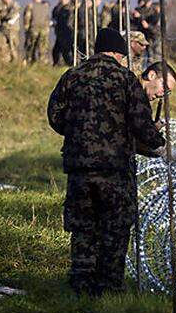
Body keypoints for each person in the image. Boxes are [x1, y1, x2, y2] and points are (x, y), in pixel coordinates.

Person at [46, 28, 166, 297]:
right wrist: (159, 144)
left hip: (79, 167)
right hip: (115, 168)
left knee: (83, 227)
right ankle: (109, 286)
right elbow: (140, 123)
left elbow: (55, 116)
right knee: (115, 226)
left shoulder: (72, 76)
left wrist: (79, 132)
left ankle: (81, 284)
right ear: (117, 53)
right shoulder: (125, 79)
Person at [0, 0, 20, 64]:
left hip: (12, 30)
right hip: (5, 30)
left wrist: (4, 17)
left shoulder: (14, 5)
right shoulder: (4, 6)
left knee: (12, 46)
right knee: (5, 46)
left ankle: (15, 62)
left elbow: (12, 16)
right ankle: (6, 62)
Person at [23, 0, 51, 64]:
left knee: (31, 47)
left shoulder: (30, 6)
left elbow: (27, 17)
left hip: (34, 29)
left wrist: (26, 28)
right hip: (44, 30)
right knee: (42, 48)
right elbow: (47, 19)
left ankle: (30, 62)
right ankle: (43, 63)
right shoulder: (45, 7)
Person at [51, 0, 75, 66]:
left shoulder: (70, 9)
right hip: (59, 33)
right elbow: (54, 17)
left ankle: (70, 64)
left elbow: (70, 21)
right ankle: (57, 64)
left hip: (67, 33)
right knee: (56, 50)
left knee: (66, 50)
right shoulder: (58, 8)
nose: (61, 0)